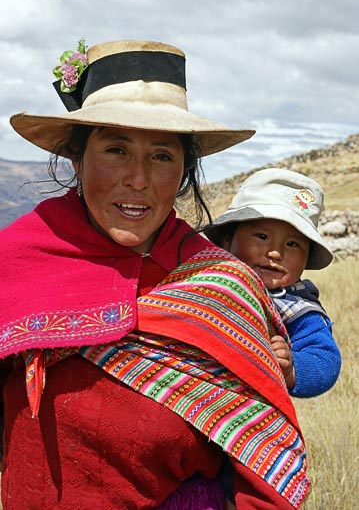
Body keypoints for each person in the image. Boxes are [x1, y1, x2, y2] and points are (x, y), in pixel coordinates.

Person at [0, 40, 310, 510]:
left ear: (185, 170)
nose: (139, 179)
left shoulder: (223, 286)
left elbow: (265, 464)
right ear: (76, 159)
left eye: (162, 155)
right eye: (116, 149)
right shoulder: (20, 257)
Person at [206, 168, 342, 398]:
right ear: (228, 239)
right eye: (262, 236)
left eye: (292, 244)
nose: (276, 253)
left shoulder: (296, 308)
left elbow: (324, 359)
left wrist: (291, 369)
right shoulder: (202, 280)